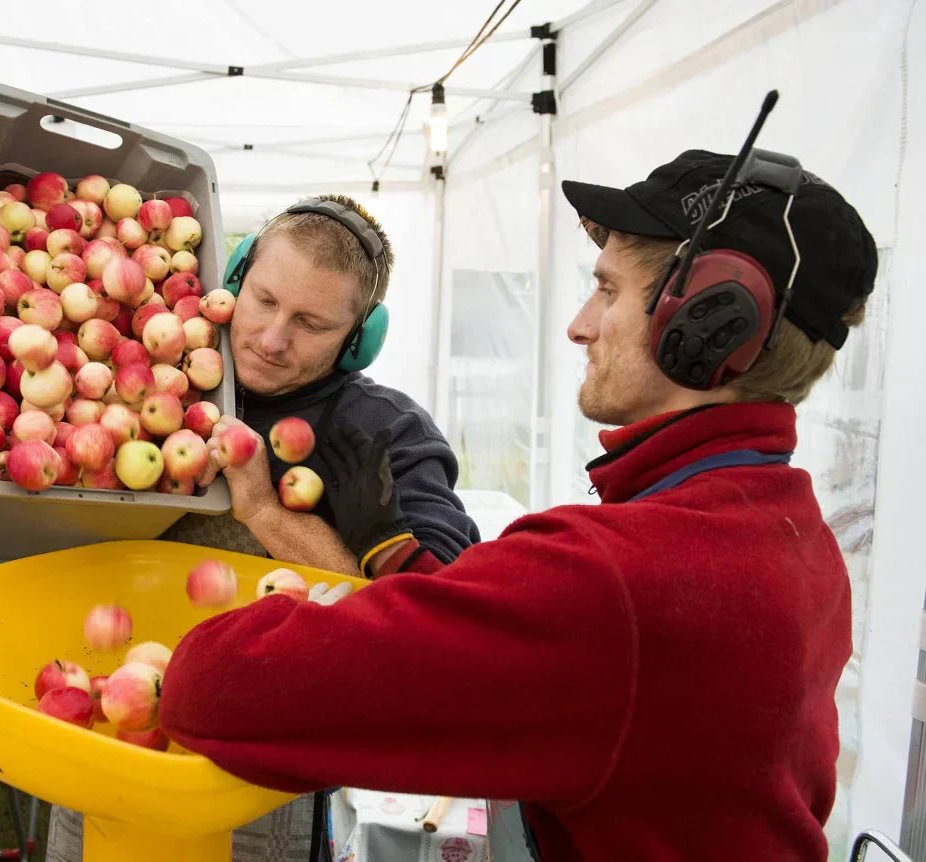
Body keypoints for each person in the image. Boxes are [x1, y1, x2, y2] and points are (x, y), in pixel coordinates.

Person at [157, 149, 877, 860]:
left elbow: (214, 689)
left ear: (703, 326)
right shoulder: (799, 539)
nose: (578, 324)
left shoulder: (614, 577)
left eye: (608, 290)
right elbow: (494, 641)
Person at [0, 193, 481, 861]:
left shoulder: (381, 434)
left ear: (359, 338)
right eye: (265, 302)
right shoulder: (147, 349)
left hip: (245, 771)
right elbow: (5, 424)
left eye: (311, 323)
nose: (273, 340)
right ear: (235, 280)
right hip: (97, 721)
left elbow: (447, 619)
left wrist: (265, 512)